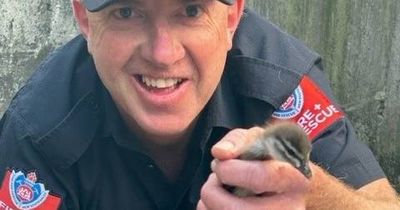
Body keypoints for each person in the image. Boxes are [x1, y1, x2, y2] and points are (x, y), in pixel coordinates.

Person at [0, 0, 399, 209]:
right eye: (126, 11)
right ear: (85, 20)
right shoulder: (38, 133)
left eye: (190, 11)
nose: (162, 53)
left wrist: (312, 198)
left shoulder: (280, 85)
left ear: (231, 18)